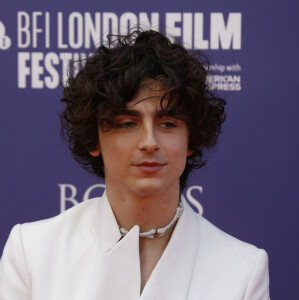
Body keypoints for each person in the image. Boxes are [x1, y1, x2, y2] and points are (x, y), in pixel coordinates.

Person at [0, 29, 270, 299]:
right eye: (127, 123)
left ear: (190, 140)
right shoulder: (33, 253)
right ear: (94, 140)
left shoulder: (242, 269)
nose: (149, 142)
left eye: (167, 124)